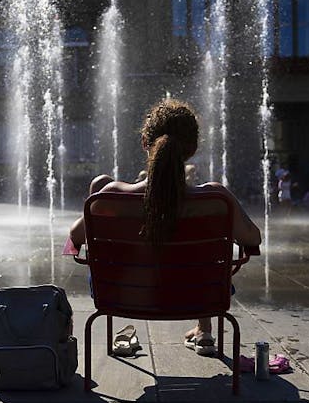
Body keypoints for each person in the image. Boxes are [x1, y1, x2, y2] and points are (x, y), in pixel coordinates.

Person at [68, 99, 261, 357]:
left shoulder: (111, 197)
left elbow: (75, 237)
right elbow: (253, 237)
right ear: (192, 148)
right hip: (199, 296)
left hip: (125, 296)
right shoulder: (216, 200)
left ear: (145, 143)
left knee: (100, 184)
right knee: (201, 266)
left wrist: (100, 196)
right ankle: (205, 329)